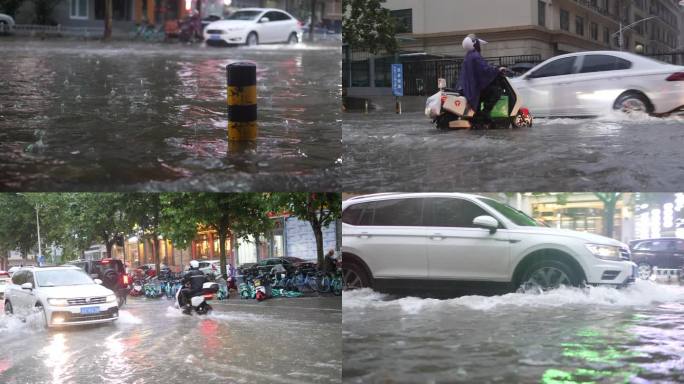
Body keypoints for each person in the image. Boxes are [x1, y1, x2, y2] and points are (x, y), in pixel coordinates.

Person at [457, 33, 507, 126]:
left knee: (487, 90)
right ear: (476, 44)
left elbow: (480, 70)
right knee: (496, 91)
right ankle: (485, 113)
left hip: (468, 88)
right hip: (473, 89)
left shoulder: (468, 56)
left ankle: (479, 114)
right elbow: (485, 70)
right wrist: (497, 70)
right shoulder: (475, 56)